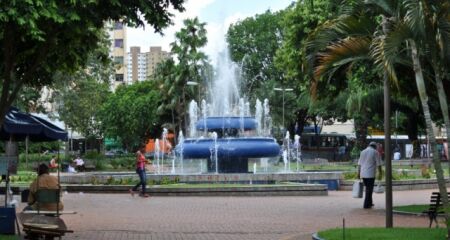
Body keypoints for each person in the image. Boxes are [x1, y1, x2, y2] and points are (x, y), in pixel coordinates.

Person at [357, 142, 383, 209]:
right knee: (369, 189)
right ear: (374, 146)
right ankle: (366, 204)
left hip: (363, 174)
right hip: (370, 174)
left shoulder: (362, 152)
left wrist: (358, 173)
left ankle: (370, 202)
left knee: (369, 189)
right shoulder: (375, 152)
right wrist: (380, 172)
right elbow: (379, 164)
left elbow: (359, 164)